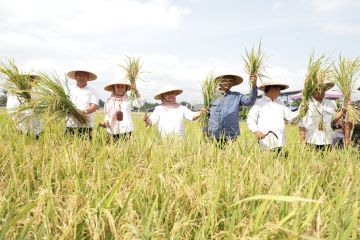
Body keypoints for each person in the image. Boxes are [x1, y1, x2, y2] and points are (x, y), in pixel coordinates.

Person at [247, 79, 300, 152]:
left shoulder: (280, 103)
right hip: (265, 142)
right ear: (272, 89)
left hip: (280, 141)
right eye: (278, 89)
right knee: (267, 162)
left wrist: (301, 110)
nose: (279, 92)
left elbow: (290, 116)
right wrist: (256, 131)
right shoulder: (259, 103)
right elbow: (251, 118)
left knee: (282, 162)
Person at [205, 74, 258, 145]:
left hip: (230, 134)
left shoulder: (237, 96)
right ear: (220, 83)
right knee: (212, 155)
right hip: (213, 133)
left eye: (230, 81)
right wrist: (205, 112)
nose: (228, 82)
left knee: (230, 155)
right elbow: (207, 113)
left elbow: (249, 102)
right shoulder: (211, 96)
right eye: (225, 80)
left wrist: (254, 84)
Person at [299, 81, 346, 150]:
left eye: (324, 88)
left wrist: (343, 111)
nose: (323, 90)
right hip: (311, 141)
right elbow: (301, 125)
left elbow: (332, 120)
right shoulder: (306, 104)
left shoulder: (330, 103)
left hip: (327, 141)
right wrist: (302, 142)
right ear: (313, 90)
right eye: (320, 88)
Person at [100, 77, 143, 142]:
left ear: (126, 88)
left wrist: (135, 90)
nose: (120, 89)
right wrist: (106, 121)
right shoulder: (109, 101)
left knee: (125, 151)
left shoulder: (129, 99)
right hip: (111, 130)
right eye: (118, 87)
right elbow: (107, 115)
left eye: (122, 87)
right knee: (110, 150)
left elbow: (139, 104)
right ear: (114, 88)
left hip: (125, 131)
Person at [6, 74, 43, 139]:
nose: (32, 83)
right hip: (22, 130)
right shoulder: (14, 94)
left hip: (38, 130)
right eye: (31, 80)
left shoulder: (36, 93)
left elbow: (41, 107)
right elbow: (11, 111)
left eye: (34, 81)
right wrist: (26, 106)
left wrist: (35, 106)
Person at [65, 70, 99, 140]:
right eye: (79, 75)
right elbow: (65, 104)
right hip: (71, 123)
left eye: (84, 76)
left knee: (86, 147)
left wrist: (83, 112)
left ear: (88, 78)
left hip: (86, 124)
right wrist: (71, 111)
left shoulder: (92, 90)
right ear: (75, 77)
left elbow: (94, 107)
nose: (81, 78)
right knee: (68, 146)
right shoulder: (69, 89)